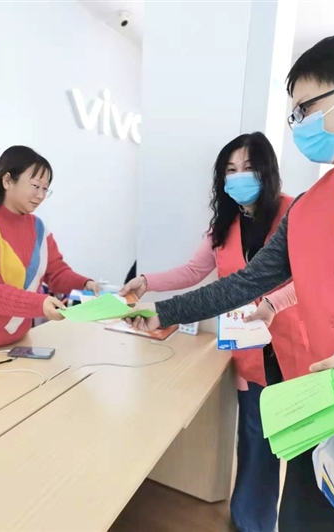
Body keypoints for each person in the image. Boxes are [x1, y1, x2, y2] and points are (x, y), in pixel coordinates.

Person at [127, 34, 334, 532]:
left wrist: (272, 308)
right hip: (323, 402)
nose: (300, 124)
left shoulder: (287, 206)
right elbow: (243, 282)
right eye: (294, 114)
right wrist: (163, 310)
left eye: (308, 108)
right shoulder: (308, 208)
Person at [122, 132, 309, 532]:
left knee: (303, 450)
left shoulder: (295, 213)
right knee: (255, 441)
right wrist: (147, 281)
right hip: (249, 349)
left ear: (267, 171)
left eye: (248, 167)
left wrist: (274, 303)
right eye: (230, 170)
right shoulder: (224, 225)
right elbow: (194, 271)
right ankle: (251, 522)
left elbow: (311, 278)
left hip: (296, 349)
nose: (239, 176)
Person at [0, 145, 99, 363]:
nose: (40, 195)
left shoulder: (39, 228)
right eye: (35, 186)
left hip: (17, 344)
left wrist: (84, 284)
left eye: (45, 189)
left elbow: (56, 273)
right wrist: (39, 304)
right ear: (7, 180)